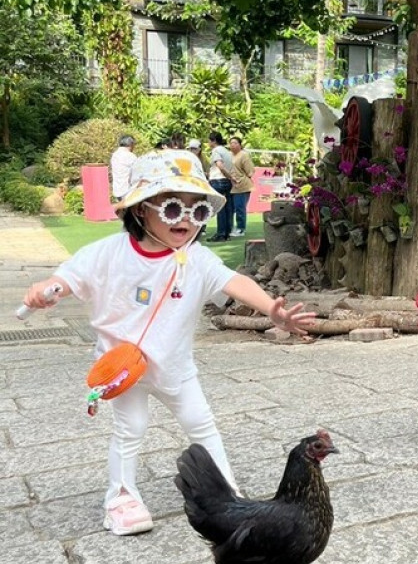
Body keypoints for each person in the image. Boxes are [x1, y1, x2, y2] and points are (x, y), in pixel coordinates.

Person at [21, 150, 317, 536]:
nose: (186, 219)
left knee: (201, 424)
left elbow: (235, 282)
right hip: (123, 368)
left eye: (198, 210)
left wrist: (272, 310)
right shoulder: (107, 254)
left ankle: (227, 493)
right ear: (141, 209)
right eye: (174, 207)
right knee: (131, 427)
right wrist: (50, 288)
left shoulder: (197, 258)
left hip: (175, 369)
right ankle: (121, 497)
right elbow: (70, 277)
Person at [207, 130, 235, 241]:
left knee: (220, 208)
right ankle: (227, 232)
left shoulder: (216, 151)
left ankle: (221, 233)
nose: (208, 143)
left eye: (209, 141)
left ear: (213, 141)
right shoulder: (226, 151)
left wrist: (229, 176)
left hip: (218, 180)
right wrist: (230, 177)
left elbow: (220, 165)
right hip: (226, 181)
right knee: (227, 208)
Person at [229, 136, 255, 237]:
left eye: (235, 143)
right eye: (231, 143)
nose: (233, 145)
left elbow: (250, 171)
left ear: (240, 145)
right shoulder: (229, 155)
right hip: (231, 185)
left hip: (242, 185)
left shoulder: (244, 155)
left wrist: (241, 179)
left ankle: (241, 228)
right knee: (230, 208)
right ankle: (230, 227)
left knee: (240, 208)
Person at [109, 135, 137, 200]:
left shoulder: (115, 155)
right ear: (131, 144)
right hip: (127, 191)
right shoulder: (130, 156)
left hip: (117, 190)